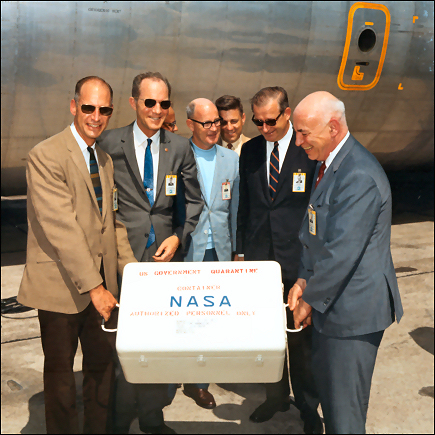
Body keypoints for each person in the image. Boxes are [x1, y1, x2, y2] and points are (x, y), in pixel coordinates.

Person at [17, 76, 137, 434]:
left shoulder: (103, 157)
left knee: (101, 370)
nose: (96, 117)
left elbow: (111, 223)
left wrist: (133, 274)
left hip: (102, 289)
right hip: (60, 288)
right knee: (60, 376)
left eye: (104, 110)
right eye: (88, 108)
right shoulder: (45, 155)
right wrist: (96, 287)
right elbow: (62, 230)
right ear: (73, 107)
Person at [288, 91, 404, 434]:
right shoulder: (329, 164)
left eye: (304, 133)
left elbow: (342, 251)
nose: (298, 142)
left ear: (334, 127)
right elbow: (316, 233)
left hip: (352, 316)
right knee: (334, 401)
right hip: (332, 307)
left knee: (344, 417)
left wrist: (309, 299)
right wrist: (303, 279)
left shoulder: (358, 175)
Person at [97, 72, 203, 434]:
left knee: (159, 341)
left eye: (164, 103)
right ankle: (119, 416)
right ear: (133, 103)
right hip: (122, 258)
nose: (157, 110)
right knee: (123, 341)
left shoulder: (180, 147)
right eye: (150, 102)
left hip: (164, 259)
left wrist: (177, 237)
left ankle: (152, 416)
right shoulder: (110, 142)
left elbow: (194, 201)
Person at [236, 87, 322, 433]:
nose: (264, 127)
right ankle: (274, 396)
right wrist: (242, 253)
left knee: (301, 339)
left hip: (297, 260)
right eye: (257, 121)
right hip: (260, 260)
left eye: (270, 120)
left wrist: (312, 264)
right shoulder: (251, 150)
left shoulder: (308, 151)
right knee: (267, 337)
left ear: (287, 114)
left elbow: (317, 208)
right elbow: (245, 206)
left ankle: (307, 404)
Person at [182, 98, 239, 408]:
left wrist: (237, 251)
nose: (215, 128)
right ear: (191, 124)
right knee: (183, 317)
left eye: (217, 121)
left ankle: (198, 383)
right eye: (207, 123)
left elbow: (236, 208)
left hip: (220, 249)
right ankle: (172, 376)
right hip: (189, 248)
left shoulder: (230, 159)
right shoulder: (179, 155)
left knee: (210, 318)